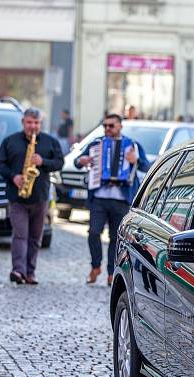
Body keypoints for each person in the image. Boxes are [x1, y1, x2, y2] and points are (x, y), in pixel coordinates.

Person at [74, 113, 151, 286]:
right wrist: (83, 160)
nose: (107, 129)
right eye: (105, 126)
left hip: (121, 199)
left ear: (120, 126)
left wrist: (136, 160)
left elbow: (147, 166)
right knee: (94, 232)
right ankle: (95, 266)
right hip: (99, 197)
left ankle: (111, 272)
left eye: (111, 126)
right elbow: (78, 162)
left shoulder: (133, 145)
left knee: (116, 238)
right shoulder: (96, 144)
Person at [0, 108, 64, 285]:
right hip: (17, 197)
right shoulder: (10, 141)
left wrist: (43, 162)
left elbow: (60, 162)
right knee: (20, 234)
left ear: (40, 123)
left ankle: (30, 272)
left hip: (40, 197)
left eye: (36, 123)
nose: (33, 126)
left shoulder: (50, 142)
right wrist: (13, 176)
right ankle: (18, 270)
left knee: (35, 237)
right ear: (23, 122)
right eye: (29, 123)